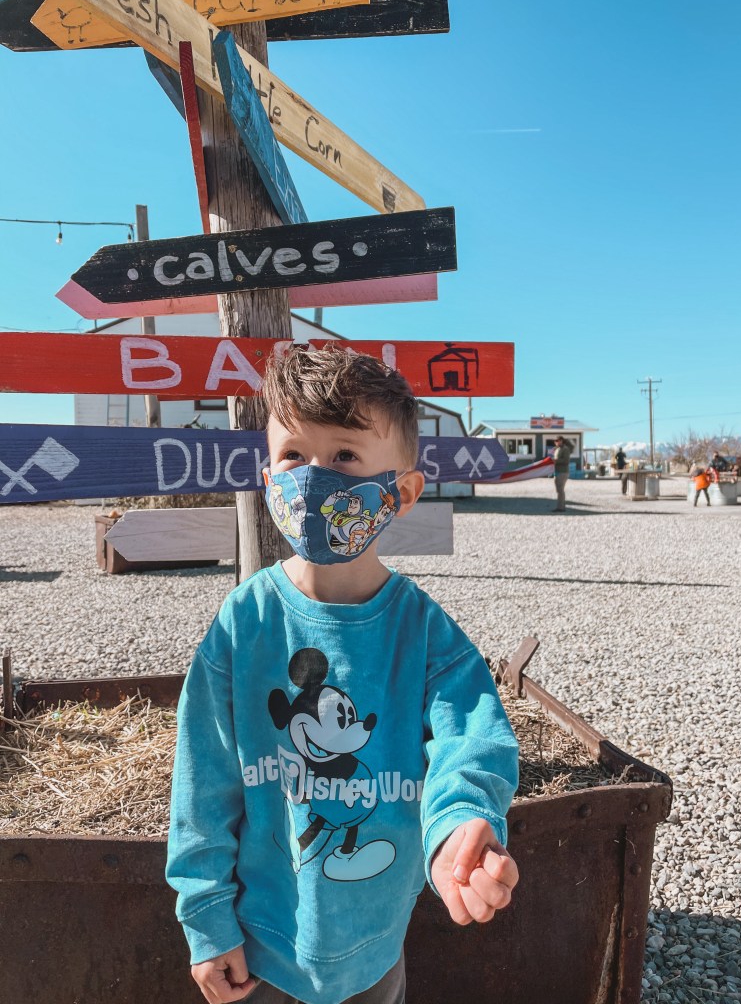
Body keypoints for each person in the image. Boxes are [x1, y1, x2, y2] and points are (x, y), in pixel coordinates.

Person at [165, 346, 520, 1004]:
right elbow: (202, 780)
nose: (313, 479)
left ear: (402, 493)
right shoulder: (244, 623)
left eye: (345, 456)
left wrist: (460, 823)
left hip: (376, 948)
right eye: (293, 455)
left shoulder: (423, 632)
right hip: (258, 949)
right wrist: (206, 916)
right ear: (268, 476)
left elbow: (471, 737)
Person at [552, 434, 575, 512]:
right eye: (555, 441)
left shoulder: (565, 449)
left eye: (557, 441)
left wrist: (556, 461)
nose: (556, 442)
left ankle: (560, 508)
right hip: (557, 471)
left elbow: (566, 461)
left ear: (561, 441)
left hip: (563, 472)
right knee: (558, 490)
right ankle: (561, 506)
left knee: (560, 490)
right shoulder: (556, 449)